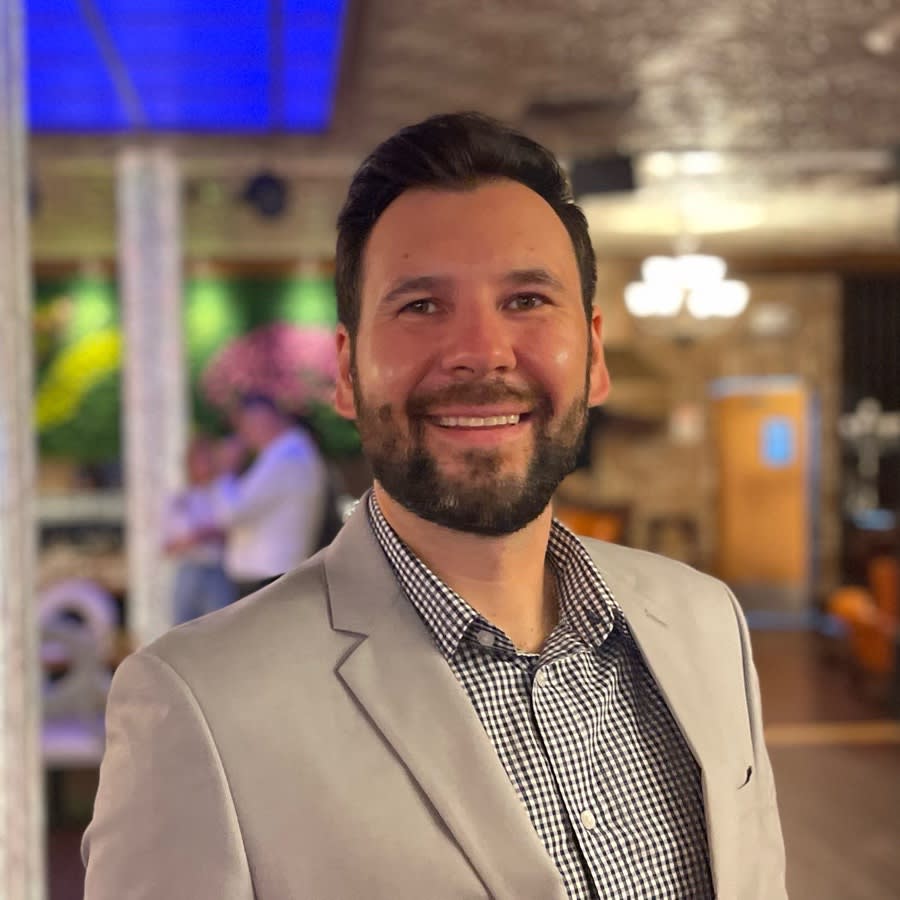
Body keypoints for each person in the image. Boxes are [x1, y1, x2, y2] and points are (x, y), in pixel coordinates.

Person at [83, 113, 786, 899]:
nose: (481, 353)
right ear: (347, 372)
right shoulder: (198, 706)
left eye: (527, 299)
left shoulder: (707, 622)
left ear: (593, 356)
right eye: (420, 306)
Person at [210, 393, 328, 597]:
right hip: (271, 577)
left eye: (242, 425)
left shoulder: (285, 457)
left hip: (266, 579)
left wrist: (225, 472)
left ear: (261, 418)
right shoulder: (289, 453)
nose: (241, 434)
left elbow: (230, 514)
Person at [162, 435, 237, 623]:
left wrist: (205, 535)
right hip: (188, 568)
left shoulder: (223, 489)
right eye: (198, 460)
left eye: (207, 459)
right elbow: (166, 545)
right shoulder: (180, 499)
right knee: (183, 628)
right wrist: (189, 541)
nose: (203, 466)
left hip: (216, 568)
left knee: (219, 626)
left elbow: (232, 527)